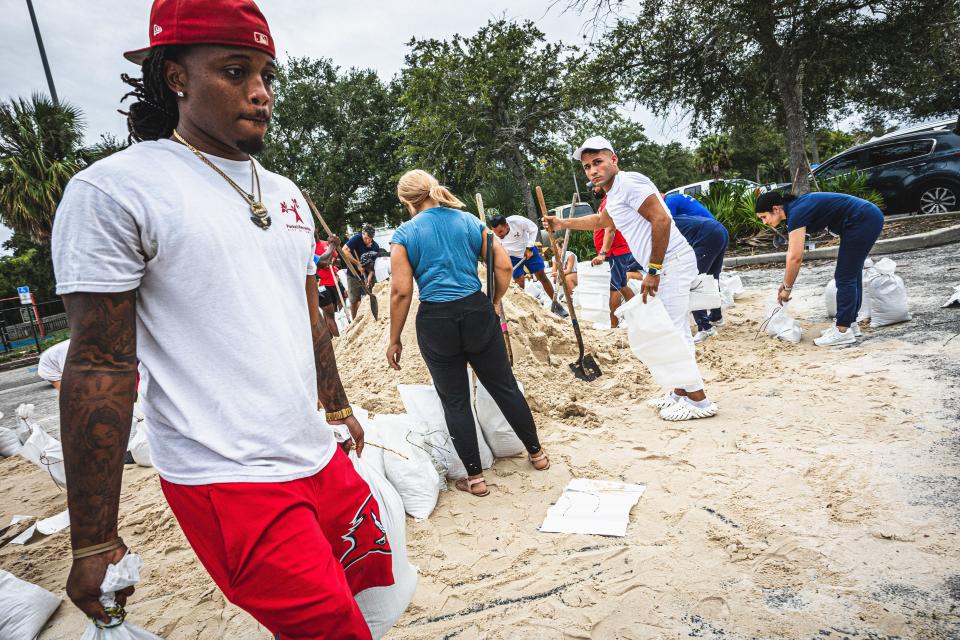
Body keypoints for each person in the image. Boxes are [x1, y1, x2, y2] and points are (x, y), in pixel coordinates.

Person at [51, 2, 393, 637]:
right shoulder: (116, 191)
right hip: (228, 478)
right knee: (333, 628)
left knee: (367, 595)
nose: (260, 93)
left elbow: (308, 316)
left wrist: (338, 409)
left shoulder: (284, 191)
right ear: (176, 77)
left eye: (266, 74)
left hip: (316, 457)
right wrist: (91, 539)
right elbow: (100, 363)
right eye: (235, 71)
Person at [387, 170, 549, 497]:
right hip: (477, 311)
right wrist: (494, 300)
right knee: (504, 387)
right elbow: (502, 265)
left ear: (407, 201)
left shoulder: (404, 234)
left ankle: (475, 479)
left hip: (436, 321)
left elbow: (401, 292)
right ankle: (537, 455)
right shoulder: (469, 222)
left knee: (455, 400)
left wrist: (394, 338)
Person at [545, 136, 718, 421]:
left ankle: (699, 401)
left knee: (672, 331)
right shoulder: (616, 192)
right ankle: (679, 393)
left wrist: (653, 269)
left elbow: (660, 220)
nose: (592, 170)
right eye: (587, 167)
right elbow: (602, 221)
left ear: (614, 159)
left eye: (598, 162)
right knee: (674, 328)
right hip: (667, 264)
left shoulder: (628, 184)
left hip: (670, 263)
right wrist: (563, 223)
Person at [755, 190, 884, 346]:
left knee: (845, 276)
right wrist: (785, 283)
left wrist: (787, 287)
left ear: (776, 209)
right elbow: (798, 252)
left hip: (863, 219)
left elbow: (795, 257)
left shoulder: (796, 212)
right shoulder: (795, 209)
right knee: (851, 272)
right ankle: (851, 324)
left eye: (764, 217)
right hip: (863, 218)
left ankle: (842, 331)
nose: (764, 222)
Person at [663, 195, 730, 343]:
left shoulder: (665, 213)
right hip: (719, 229)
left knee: (693, 281)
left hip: (706, 235)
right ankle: (716, 317)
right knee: (712, 278)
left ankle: (705, 328)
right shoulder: (677, 202)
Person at [488, 214, 562, 312]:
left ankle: (556, 304)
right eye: (496, 232)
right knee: (519, 281)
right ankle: (523, 309)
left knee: (541, 276)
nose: (499, 235)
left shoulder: (517, 221)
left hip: (528, 249)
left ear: (507, 225)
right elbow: (496, 250)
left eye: (501, 231)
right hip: (512, 256)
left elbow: (533, 229)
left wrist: (529, 247)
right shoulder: (493, 236)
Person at [591, 192, 637, 327]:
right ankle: (639, 312)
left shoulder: (610, 201)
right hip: (616, 251)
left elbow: (610, 229)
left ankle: (614, 325)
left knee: (613, 287)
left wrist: (603, 253)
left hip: (614, 252)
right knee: (621, 285)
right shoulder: (606, 200)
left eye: (595, 185)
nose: (594, 188)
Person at [342, 224, 381, 319]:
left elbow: (373, 265)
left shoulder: (375, 246)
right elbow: (344, 250)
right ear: (362, 234)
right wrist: (358, 264)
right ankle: (354, 320)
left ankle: (374, 317)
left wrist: (370, 276)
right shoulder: (356, 239)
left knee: (372, 295)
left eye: (370, 239)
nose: (368, 240)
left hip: (367, 273)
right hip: (353, 273)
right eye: (366, 238)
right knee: (354, 299)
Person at [315, 234, 344, 336]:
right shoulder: (310, 248)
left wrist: (333, 261)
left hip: (334, 282)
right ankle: (338, 339)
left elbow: (337, 260)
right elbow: (321, 264)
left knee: (336, 310)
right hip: (322, 285)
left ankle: (331, 337)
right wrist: (326, 261)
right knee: (329, 314)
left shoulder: (327, 243)